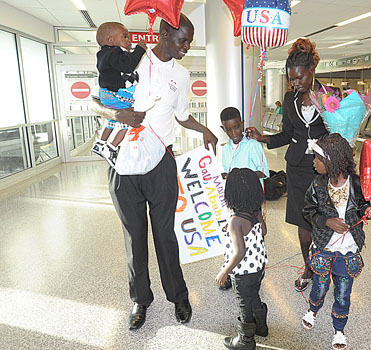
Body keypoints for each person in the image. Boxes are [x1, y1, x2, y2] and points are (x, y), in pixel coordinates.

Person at [92, 14, 218, 331]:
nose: (186, 46)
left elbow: (183, 115)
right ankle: (140, 300)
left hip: (160, 161)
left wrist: (205, 129)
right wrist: (115, 112)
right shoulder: (129, 58)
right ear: (163, 35)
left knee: (165, 235)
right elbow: (95, 102)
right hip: (123, 163)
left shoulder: (182, 74)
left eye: (189, 40)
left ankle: (178, 296)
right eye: (182, 40)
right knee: (134, 238)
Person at [247, 38, 334, 292]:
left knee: (324, 220)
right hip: (296, 168)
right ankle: (308, 266)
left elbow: (338, 133)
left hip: (323, 169)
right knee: (302, 221)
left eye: (299, 78)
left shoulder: (329, 98)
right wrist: (263, 138)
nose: (295, 83)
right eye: (292, 79)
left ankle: (324, 266)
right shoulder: (289, 100)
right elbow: (287, 134)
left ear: (311, 71)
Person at [301, 133, 371, 350]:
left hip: (348, 250)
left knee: (343, 293)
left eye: (317, 158)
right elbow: (308, 210)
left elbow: (363, 203)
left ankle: (339, 330)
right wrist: (327, 221)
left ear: (331, 161)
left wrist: (368, 210)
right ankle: (313, 310)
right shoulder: (317, 184)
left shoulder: (356, 183)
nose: (314, 162)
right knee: (320, 286)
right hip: (324, 247)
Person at [217, 168, 269, 350]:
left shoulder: (235, 221)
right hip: (259, 266)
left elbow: (239, 252)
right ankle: (261, 326)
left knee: (243, 303)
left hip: (242, 271)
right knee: (254, 294)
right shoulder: (255, 211)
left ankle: (246, 340)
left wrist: (224, 271)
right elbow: (263, 231)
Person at [219, 106, 269, 291]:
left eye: (237, 127)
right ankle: (230, 272)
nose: (234, 133)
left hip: (251, 202)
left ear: (242, 124)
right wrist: (227, 177)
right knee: (231, 236)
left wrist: (242, 176)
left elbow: (264, 172)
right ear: (223, 129)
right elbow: (224, 172)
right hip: (233, 202)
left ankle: (257, 268)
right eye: (229, 130)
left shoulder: (253, 146)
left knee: (256, 235)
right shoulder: (224, 150)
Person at [91, 22, 147, 167]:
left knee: (111, 122)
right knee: (125, 123)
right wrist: (139, 50)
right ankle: (111, 147)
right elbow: (129, 65)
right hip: (117, 93)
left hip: (107, 94)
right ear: (110, 40)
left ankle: (100, 143)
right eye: (125, 37)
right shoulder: (114, 53)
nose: (129, 40)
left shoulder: (103, 55)